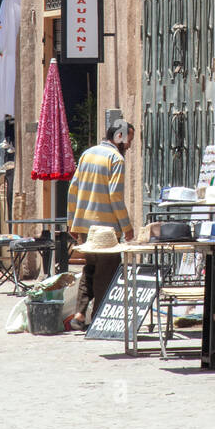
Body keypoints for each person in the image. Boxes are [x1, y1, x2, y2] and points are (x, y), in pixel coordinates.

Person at [67, 119, 134, 329]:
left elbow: (73, 188)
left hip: (85, 226)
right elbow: (115, 196)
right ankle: (98, 318)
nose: (129, 146)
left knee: (90, 268)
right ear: (119, 137)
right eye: (129, 139)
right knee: (107, 272)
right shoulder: (116, 159)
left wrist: (72, 222)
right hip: (105, 229)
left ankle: (79, 314)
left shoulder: (88, 154)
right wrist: (127, 227)